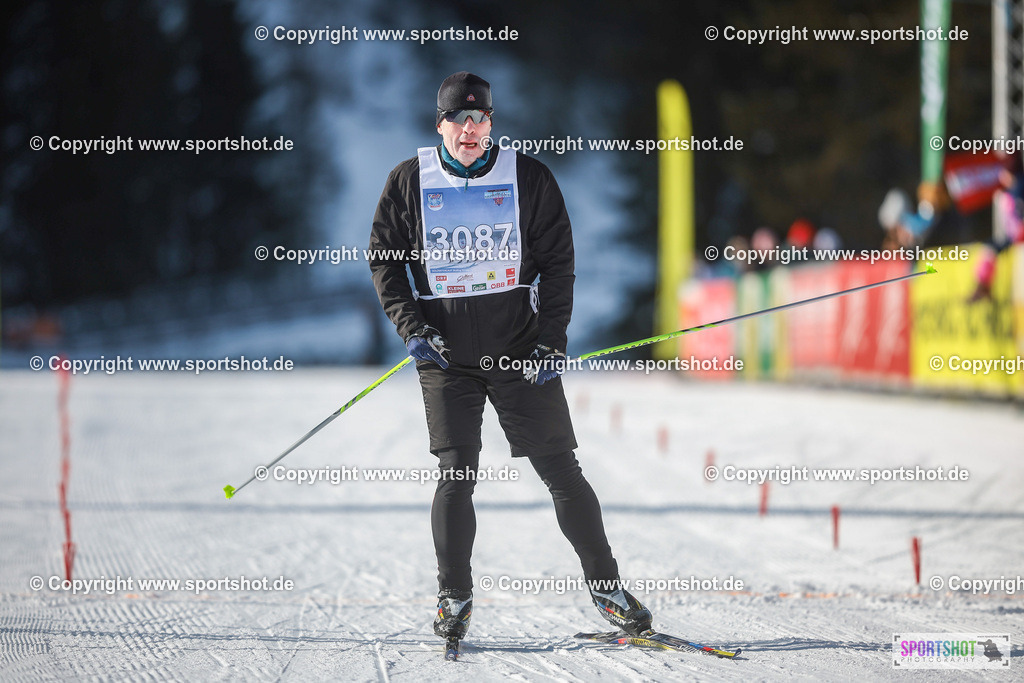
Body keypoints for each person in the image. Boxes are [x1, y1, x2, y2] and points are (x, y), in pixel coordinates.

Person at [368, 71, 652, 646]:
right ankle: (455, 596)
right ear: (440, 124)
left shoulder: (528, 177)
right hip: (445, 356)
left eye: (480, 119)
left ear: (491, 123)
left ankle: (607, 589)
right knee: (456, 473)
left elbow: (558, 265)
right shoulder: (407, 182)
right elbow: (384, 261)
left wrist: (552, 339)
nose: (470, 129)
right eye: (458, 119)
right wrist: (411, 327)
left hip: (520, 350)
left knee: (562, 471)